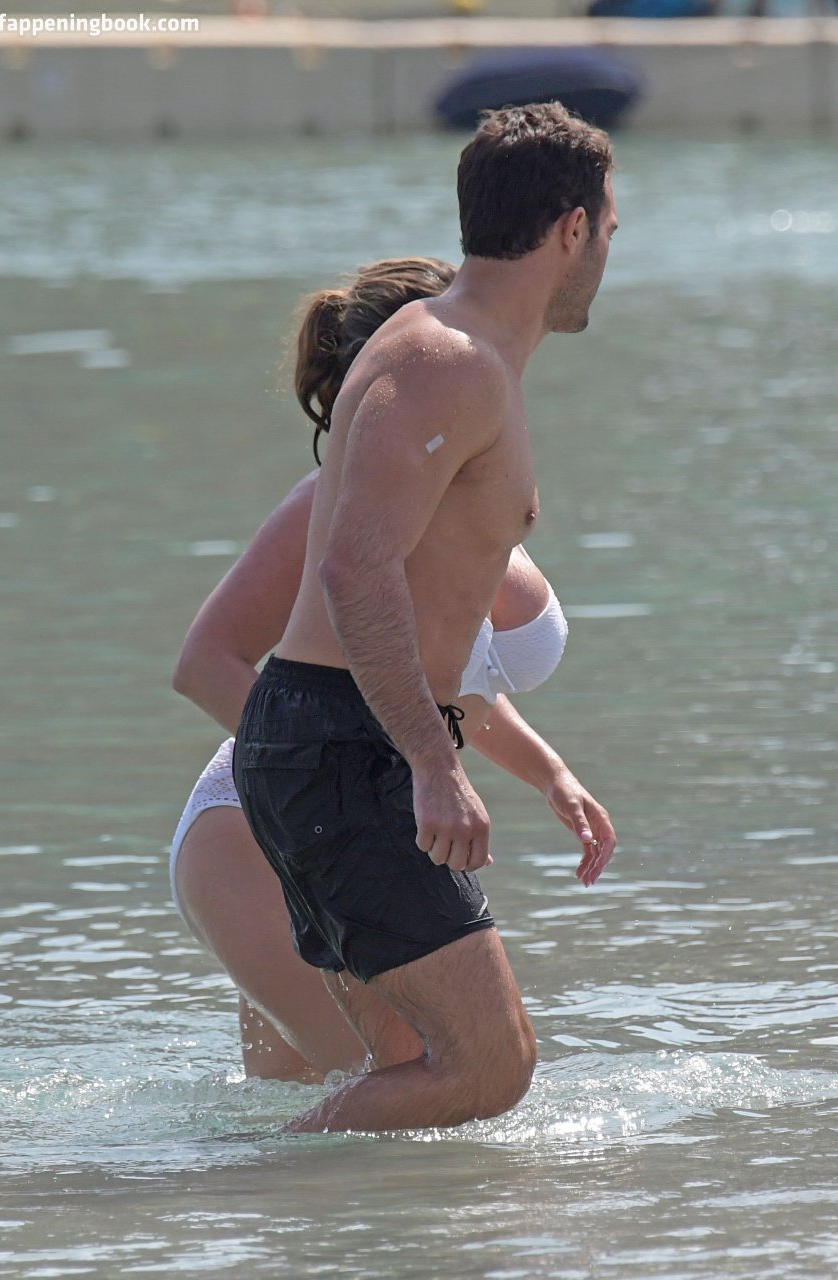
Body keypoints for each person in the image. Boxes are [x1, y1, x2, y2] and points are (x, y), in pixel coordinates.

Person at [231, 102, 619, 1134]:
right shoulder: (446, 360)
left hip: (336, 739)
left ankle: (299, 1204)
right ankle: (237, 1189)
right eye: (608, 232)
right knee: (490, 1068)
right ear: (571, 229)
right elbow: (355, 571)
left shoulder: (469, 356)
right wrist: (433, 763)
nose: (607, 255)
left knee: (408, 1065)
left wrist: (524, 765)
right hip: (341, 744)